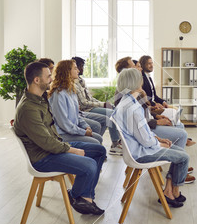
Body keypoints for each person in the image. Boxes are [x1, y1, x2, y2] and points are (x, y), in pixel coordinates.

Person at [14, 61, 106, 215]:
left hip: (55, 146)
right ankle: (82, 198)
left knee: (99, 150)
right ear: (37, 80)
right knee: (89, 165)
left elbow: (52, 135)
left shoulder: (39, 98)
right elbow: (47, 143)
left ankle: (83, 196)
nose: (52, 79)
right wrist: (74, 150)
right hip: (43, 157)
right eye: (48, 76)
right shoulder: (28, 109)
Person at [112, 68, 189, 207]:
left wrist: (158, 139)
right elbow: (146, 141)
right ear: (136, 82)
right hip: (140, 153)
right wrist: (159, 145)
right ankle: (174, 192)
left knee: (179, 151)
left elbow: (143, 131)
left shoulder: (127, 101)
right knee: (183, 157)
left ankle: (169, 190)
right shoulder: (132, 108)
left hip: (138, 148)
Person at [72, 56, 122, 155]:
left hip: (90, 107)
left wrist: (104, 104)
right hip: (85, 110)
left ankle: (99, 143)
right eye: (80, 66)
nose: (81, 69)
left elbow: (90, 98)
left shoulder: (81, 81)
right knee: (111, 114)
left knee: (113, 110)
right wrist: (102, 104)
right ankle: (115, 144)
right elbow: (83, 104)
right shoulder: (73, 84)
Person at [48, 60, 103, 144]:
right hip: (62, 134)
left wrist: (86, 126)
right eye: (75, 68)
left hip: (71, 131)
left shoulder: (71, 90)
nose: (78, 71)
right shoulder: (58, 94)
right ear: (67, 71)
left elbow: (77, 114)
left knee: (99, 138)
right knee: (95, 142)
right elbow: (64, 124)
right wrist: (83, 132)